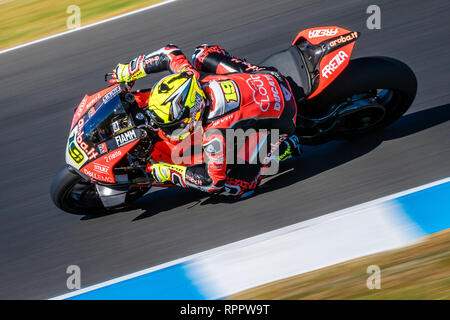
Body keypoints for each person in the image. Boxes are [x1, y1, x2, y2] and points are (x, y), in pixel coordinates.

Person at [109, 44, 302, 197]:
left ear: (193, 111)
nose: (167, 131)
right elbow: (169, 52)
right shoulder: (190, 76)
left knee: (236, 186)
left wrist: (170, 173)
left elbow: (212, 182)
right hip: (265, 75)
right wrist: (129, 70)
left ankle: (281, 149)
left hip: (283, 116)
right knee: (202, 52)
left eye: (173, 126)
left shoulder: (214, 135)